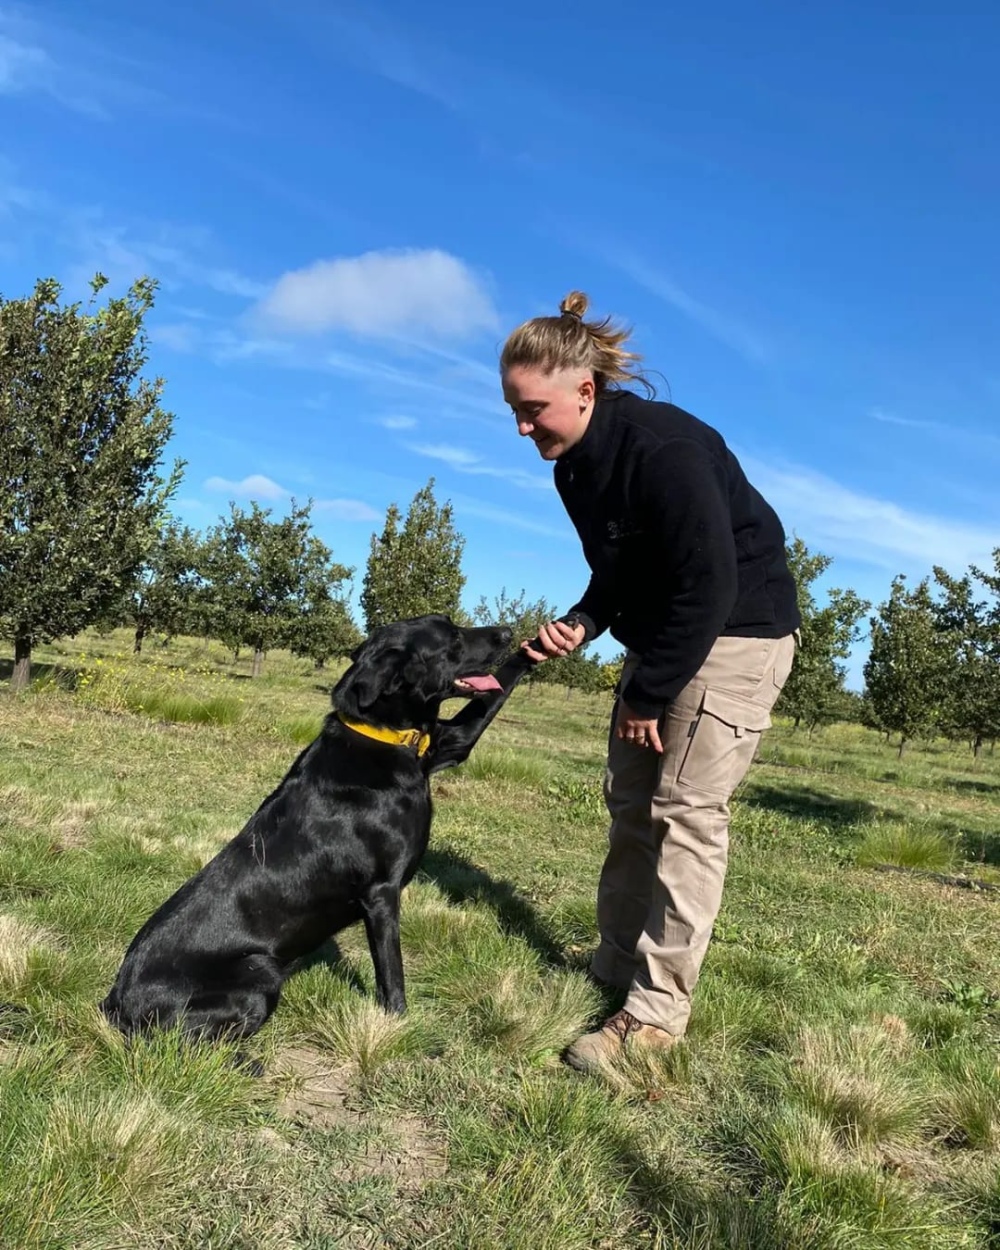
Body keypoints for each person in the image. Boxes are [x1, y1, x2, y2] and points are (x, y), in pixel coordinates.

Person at [501, 291, 801, 1073]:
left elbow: (709, 583)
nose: (523, 428)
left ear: (585, 390)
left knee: (685, 812)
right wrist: (586, 618)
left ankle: (654, 1023)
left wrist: (647, 691)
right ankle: (615, 965)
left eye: (534, 409)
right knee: (630, 804)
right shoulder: (574, 469)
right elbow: (625, 567)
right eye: (513, 410)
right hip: (673, 634)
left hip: (736, 634)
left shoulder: (663, 451)